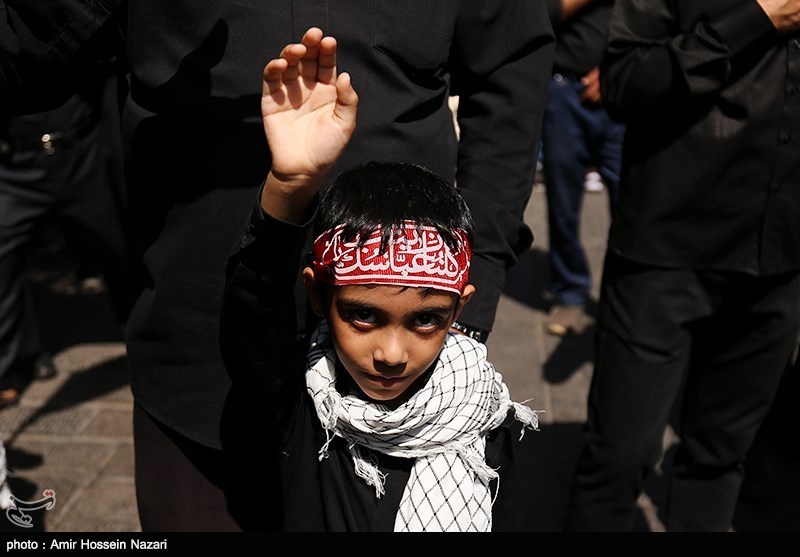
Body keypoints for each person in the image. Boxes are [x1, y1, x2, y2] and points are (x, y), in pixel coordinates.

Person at [0, 3, 554, 531]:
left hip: (411, 394)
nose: (387, 352)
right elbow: (28, 55)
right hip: (196, 357)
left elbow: (511, 63)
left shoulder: (466, 410)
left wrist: (465, 287)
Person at [220, 34, 539, 531]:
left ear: (459, 310)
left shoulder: (488, 419)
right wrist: (291, 185)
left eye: (426, 320)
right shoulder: (303, 404)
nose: (392, 354)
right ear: (318, 295)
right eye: (364, 315)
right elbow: (253, 314)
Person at [564, 0, 800, 531]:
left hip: (780, 260)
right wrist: (756, 20)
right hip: (667, 253)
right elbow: (624, 83)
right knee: (621, 455)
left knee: (722, 457)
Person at [0, 70, 131, 409]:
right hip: (14, 162)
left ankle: (140, 336)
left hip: (81, 150)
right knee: (3, 262)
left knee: (119, 251)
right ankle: (11, 366)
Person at [540, 0, 624, 337]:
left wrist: (616, 69)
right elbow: (543, 12)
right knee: (562, 203)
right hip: (565, 87)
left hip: (627, 88)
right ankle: (569, 291)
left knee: (631, 206)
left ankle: (624, 296)